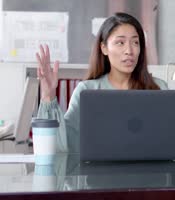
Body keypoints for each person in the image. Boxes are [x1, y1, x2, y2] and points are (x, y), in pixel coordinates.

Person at [36, 12, 167, 153]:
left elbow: (170, 139)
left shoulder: (158, 88)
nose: (129, 51)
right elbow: (64, 144)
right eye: (120, 42)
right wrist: (48, 95)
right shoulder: (87, 91)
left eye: (135, 42)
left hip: (150, 173)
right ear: (104, 48)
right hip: (97, 174)